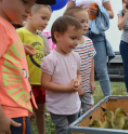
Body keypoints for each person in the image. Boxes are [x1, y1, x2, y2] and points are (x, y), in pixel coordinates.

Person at [0, 0, 55, 134]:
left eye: (31, 5)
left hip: (16, 109)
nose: (29, 10)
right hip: (9, 113)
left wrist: (18, 47)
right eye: (25, 2)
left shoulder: (8, 27)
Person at [41, 16, 83, 134]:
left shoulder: (76, 57)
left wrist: (78, 82)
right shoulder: (50, 60)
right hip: (58, 106)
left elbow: (78, 75)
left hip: (73, 104)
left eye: (78, 39)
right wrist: (67, 88)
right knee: (63, 131)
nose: (76, 42)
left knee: (74, 129)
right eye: (73, 38)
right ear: (57, 36)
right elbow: (45, 83)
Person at [67, 0, 114, 97]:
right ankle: (77, 98)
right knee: (76, 66)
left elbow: (111, 13)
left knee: (101, 69)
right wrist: (79, 14)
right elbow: (66, 14)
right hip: (78, 33)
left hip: (98, 34)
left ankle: (109, 100)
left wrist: (99, 11)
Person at [16, 4, 51, 134]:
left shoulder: (40, 38)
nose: (46, 23)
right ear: (30, 14)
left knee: (41, 111)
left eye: (48, 19)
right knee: (28, 113)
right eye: (43, 18)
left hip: (40, 81)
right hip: (26, 82)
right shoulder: (19, 33)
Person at [63, 7, 96, 114]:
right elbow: (66, 68)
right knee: (73, 112)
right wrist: (77, 88)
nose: (86, 24)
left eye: (87, 21)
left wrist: (91, 81)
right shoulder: (70, 45)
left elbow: (91, 62)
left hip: (87, 87)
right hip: (72, 88)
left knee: (89, 111)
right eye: (81, 22)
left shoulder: (89, 42)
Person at [117, 0, 128, 96]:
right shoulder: (121, 12)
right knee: (127, 68)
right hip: (125, 44)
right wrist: (126, 13)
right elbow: (120, 26)